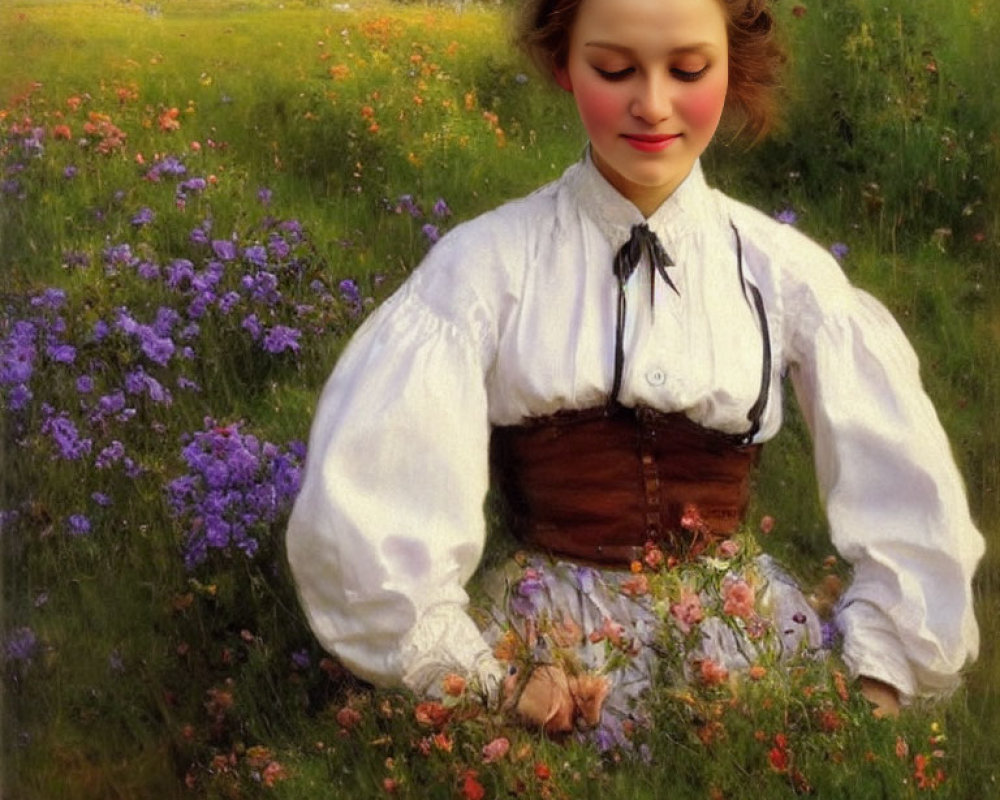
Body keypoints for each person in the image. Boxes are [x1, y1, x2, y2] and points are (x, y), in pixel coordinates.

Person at [286, 0, 983, 734]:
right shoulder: (484, 266)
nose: (652, 105)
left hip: (736, 646)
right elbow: (377, 510)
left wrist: (879, 676)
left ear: (733, 65)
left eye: (688, 70)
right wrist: (490, 682)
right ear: (564, 65)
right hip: (551, 654)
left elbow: (906, 490)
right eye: (614, 69)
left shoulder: (781, 272)